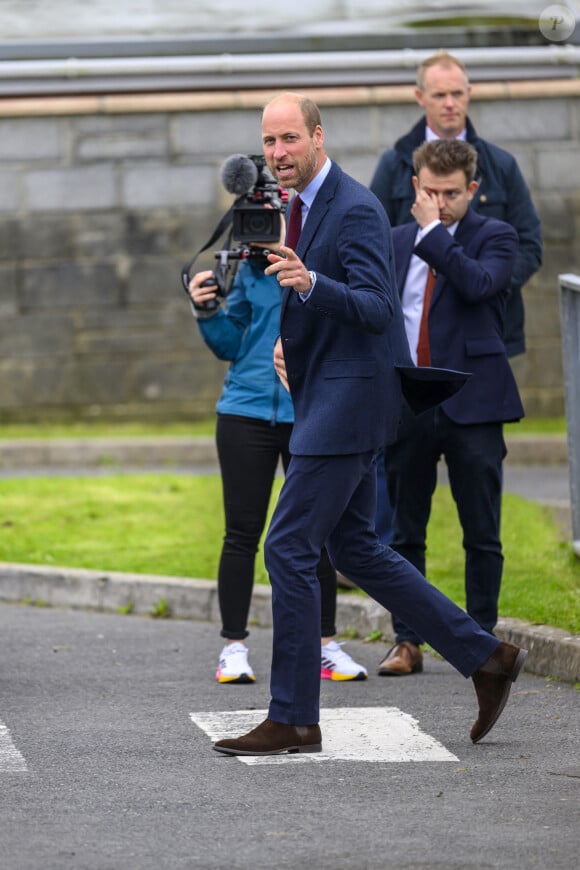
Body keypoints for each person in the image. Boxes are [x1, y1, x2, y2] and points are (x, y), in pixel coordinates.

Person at [212, 92, 527, 757]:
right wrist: (289, 334)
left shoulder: (353, 207)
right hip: (329, 396)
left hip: (347, 407)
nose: (278, 154)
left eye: (290, 139)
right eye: (269, 143)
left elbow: (379, 308)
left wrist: (309, 284)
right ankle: (486, 654)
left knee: (288, 547)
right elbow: (327, 310)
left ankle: (295, 716)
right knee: (356, 549)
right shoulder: (296, 208)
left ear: (318, 137)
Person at [187, 232, 368, 684]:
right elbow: (231, 345)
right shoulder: (248, 267)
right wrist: (207, 309)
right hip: (242, 413)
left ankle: (326, 645)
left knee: (317, 531)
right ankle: (233, 648)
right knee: (241, 533)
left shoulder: (318, 256)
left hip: (305, 409)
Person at [376, 139, 524, 679]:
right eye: (431, 192)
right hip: (410, 401)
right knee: (403, 529)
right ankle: (407, 640)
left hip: (475, 400)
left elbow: (479, 285)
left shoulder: (496, 236)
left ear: (473, 190)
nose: (440, 203)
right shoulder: (391, 242)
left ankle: (482, 644)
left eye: (452, 194)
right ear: (415, 186)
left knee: (481, 530)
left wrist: (434, 235)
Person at [370, 50, 542, 359]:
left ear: (469, 94)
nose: (450, 104)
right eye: (439, 95)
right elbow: (372, 241)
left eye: (457, 93)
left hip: (484, 329)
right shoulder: (394, 164)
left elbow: (529, 245)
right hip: (410, 330)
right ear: (420, 97)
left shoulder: (500, 165)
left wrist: (489, 284)